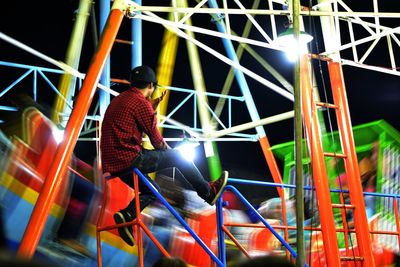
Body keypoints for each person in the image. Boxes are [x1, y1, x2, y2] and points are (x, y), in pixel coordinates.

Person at [100, 65, 228, 246]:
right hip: (128, 158)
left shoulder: (121, 99)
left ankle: (127, 215)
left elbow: (130, 127)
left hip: (112, 163)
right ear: (151, 85)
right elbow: (156, 141)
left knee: (153, 190)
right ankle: (208, 192)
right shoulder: (141, 103)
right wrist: (171, 152)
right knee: (176, 157)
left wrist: (151, 109)